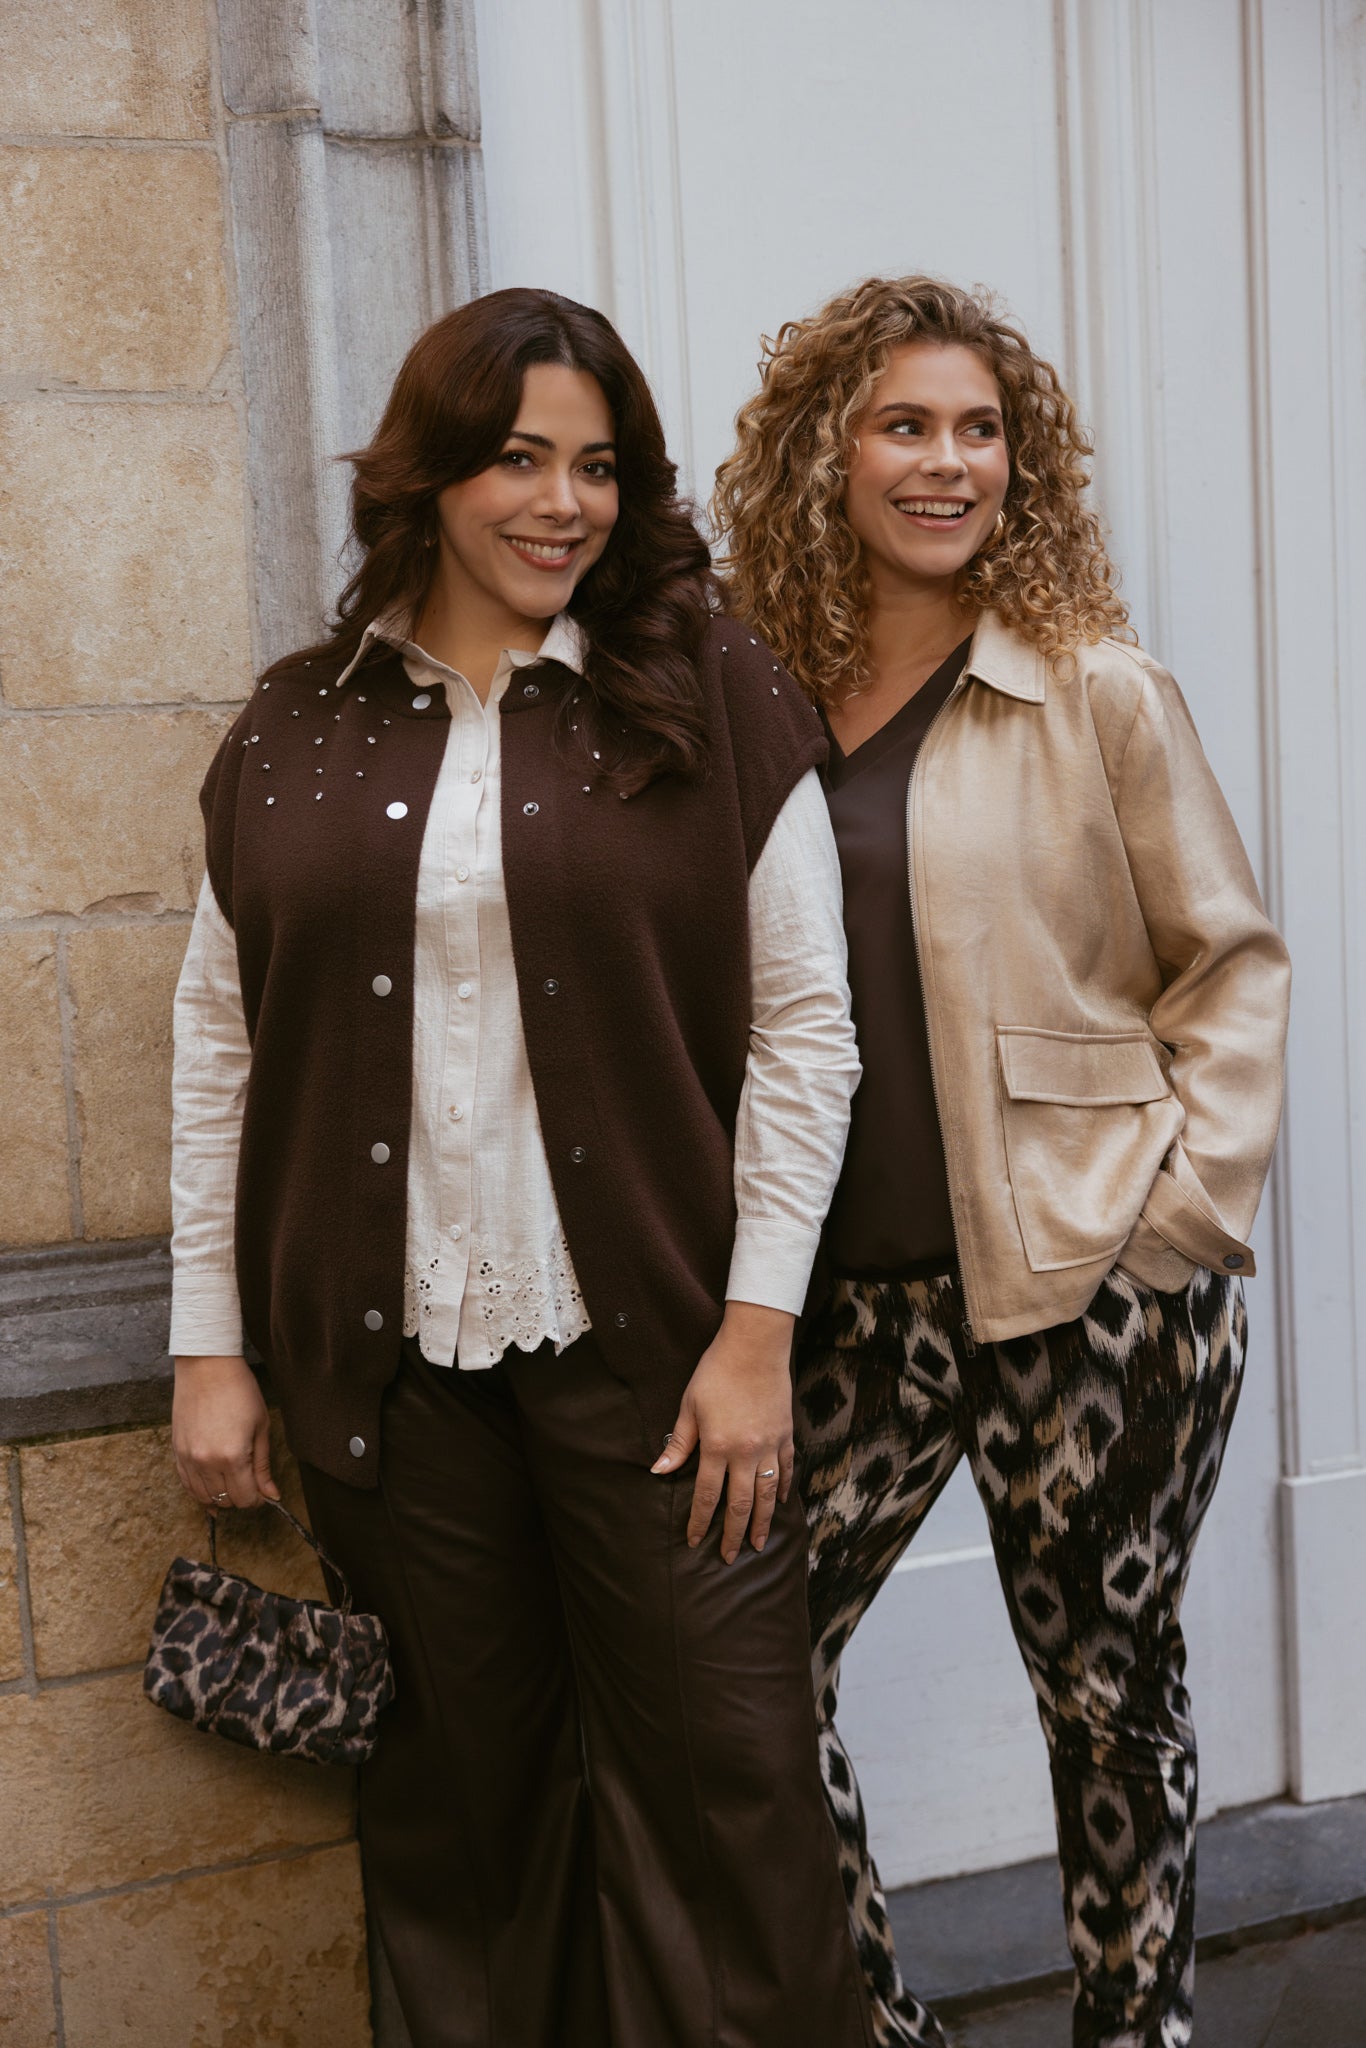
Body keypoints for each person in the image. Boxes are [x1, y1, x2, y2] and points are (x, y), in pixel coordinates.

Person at [168, 287, 874, 2048]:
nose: (563, 503)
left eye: (598, 467)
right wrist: (210, 1344)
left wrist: (754, 1335)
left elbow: (810, 1031)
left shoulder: (713, 693)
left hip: (663, 1367)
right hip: (391, 1377)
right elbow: (221, 1047)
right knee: (461, 1824)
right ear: (427, 477)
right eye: (518, 459)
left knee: (729, 1800)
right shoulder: (295, 725)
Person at [713, 274, 1291, 2048]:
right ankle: (873, 2026)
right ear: (826, 454)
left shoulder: (1092, 689)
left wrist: (1175, 1222)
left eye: (980, 430)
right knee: (738, 1667)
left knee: (1105, 1705)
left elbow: (1228, 966)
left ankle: (1137, 2029)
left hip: (1088, 1290)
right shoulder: (755, 702)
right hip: (851, 1301)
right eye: (903, 425)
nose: (945, 462)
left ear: (1018, 467)